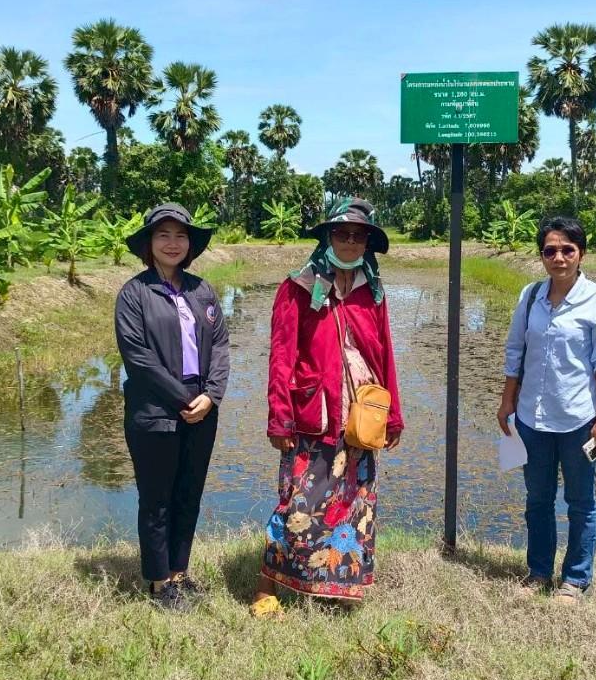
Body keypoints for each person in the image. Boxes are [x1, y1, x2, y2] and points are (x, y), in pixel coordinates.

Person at [250, 197, 403, 617]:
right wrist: (279, 418)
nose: (351, 242)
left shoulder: (373, 291)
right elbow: (282, 357)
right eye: (342, 233)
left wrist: (393, 416)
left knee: (353, 505)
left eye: (359, 236)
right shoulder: (299, 287)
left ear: (368, 244)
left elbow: (385, 354)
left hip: (361, 417)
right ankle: (268, 584)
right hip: (313, 414)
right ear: (328, 238)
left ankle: (335, 586)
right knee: (298, 501)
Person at [497, 216, 596, 605]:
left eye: (568, 249)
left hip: (578, 420)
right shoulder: (531, 295)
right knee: (538, 499)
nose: (559, 257)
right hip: (532, 418)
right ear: (542, 256)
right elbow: (516, 349)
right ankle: (538, 572)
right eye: (550, 250)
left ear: (581, 253)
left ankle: (575, 579)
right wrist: (507, 400)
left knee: (581, 502)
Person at [114, 203, 229, 611]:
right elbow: (138, 358)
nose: (172, 243)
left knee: (188, 494)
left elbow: (220, 346)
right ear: (149, 243)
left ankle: (180, 572)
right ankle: (160, 583)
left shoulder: (203, 291)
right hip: (155, 412)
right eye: (163, 235)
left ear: (190, 244)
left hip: (202, 410)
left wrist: (211, 396)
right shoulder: (134, 294)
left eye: (180, 235)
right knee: (156, 499)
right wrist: (184, 399)